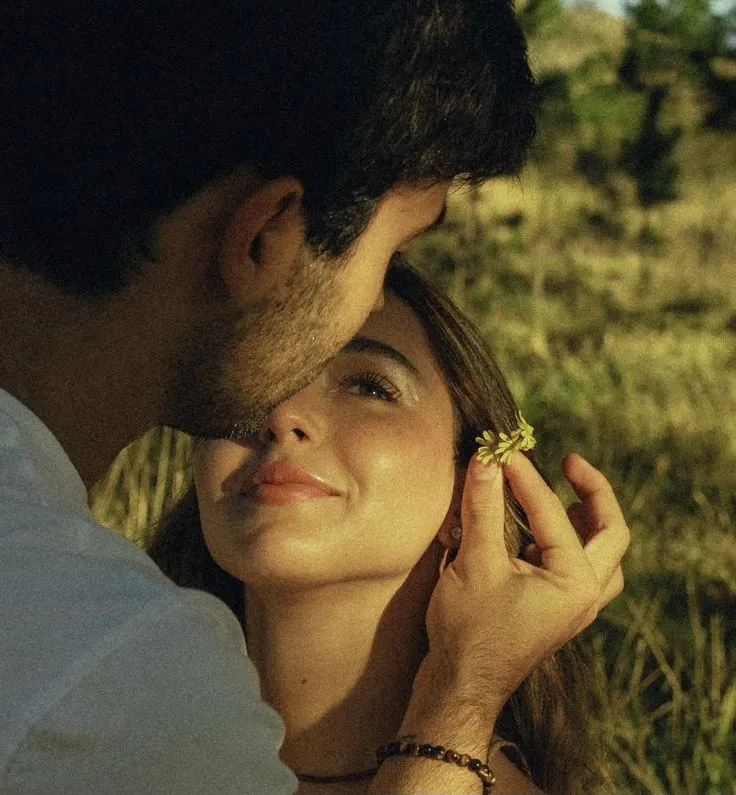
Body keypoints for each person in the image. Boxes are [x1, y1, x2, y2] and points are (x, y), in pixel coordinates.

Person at [0, 2, 560, 792]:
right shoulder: (110, 670)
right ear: (264, 235)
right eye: (391, 245)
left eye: (369, 384)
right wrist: (460, 703)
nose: (285, 417)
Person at [150, 260, 628, 794]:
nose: (280, 414)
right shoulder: (92, 732)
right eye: (254, 372)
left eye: (369, 387)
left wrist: (464, 687)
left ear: (471, 493)